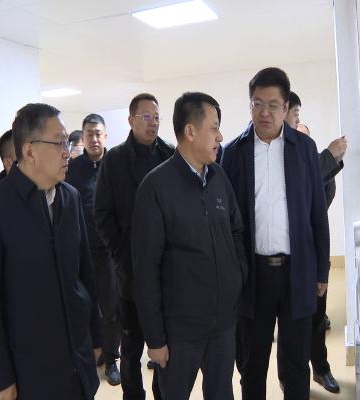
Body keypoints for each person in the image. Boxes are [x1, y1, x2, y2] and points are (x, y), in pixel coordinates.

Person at [0, 103, 103, 400]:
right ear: (29, 151)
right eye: (60, 143)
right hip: (31, 369)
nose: (68, 152)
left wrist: (95, 335)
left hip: (78, 359)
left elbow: (85, 274)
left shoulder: (70, 198)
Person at [220, 68, 330, 400]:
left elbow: (317, 213)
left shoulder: (305, 149)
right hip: (253, 275)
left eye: (272, 105)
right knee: (252, 365)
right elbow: (227, 220)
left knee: (296, 364)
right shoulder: (233, 152)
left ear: (285, 108)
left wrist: (321, 271)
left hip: (297, 271)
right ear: (250, 105)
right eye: (257, 104)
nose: (264, 113)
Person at [132, 92, 247, 400]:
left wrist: (237, 276)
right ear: (190, 131)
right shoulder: (155, 188)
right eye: (214, 128)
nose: (220, 137)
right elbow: (145, 269)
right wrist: (155, 339)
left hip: (222, 324)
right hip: (179, 330)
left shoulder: (218, 176)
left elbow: (236, 230)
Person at [94, 93, 174, 400]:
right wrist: (119, 253)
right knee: (130, 346)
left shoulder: (169, 155)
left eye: (156, 117)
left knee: (163, 346)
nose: (153, 123)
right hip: (129, 270)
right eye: (146, 117)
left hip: (164, 271)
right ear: (131, 120)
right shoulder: (114, 160)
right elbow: (102, 213)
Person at [277, 91, 347, 394]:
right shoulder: (273, 155)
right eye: (296, 115)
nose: (298, 121)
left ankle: (321, 369)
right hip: (284, 258)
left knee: (317, 317)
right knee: (289, 324)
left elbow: (319, 200)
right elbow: (297, 189)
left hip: (313, 254)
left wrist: (328, 161)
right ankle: (289, 379)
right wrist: (328, 157)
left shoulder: (311, 161)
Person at [65, 113, 121, 386]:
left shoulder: (115, 165)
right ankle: (93, 351)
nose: (94, 139)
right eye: (89, 134)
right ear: (83, 137)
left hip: (109, 251)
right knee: (85, 306)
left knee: (110, 308)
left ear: (105, 136)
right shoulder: (72, 169)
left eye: (98, 134)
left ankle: (111, 359)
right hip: (81, 251)